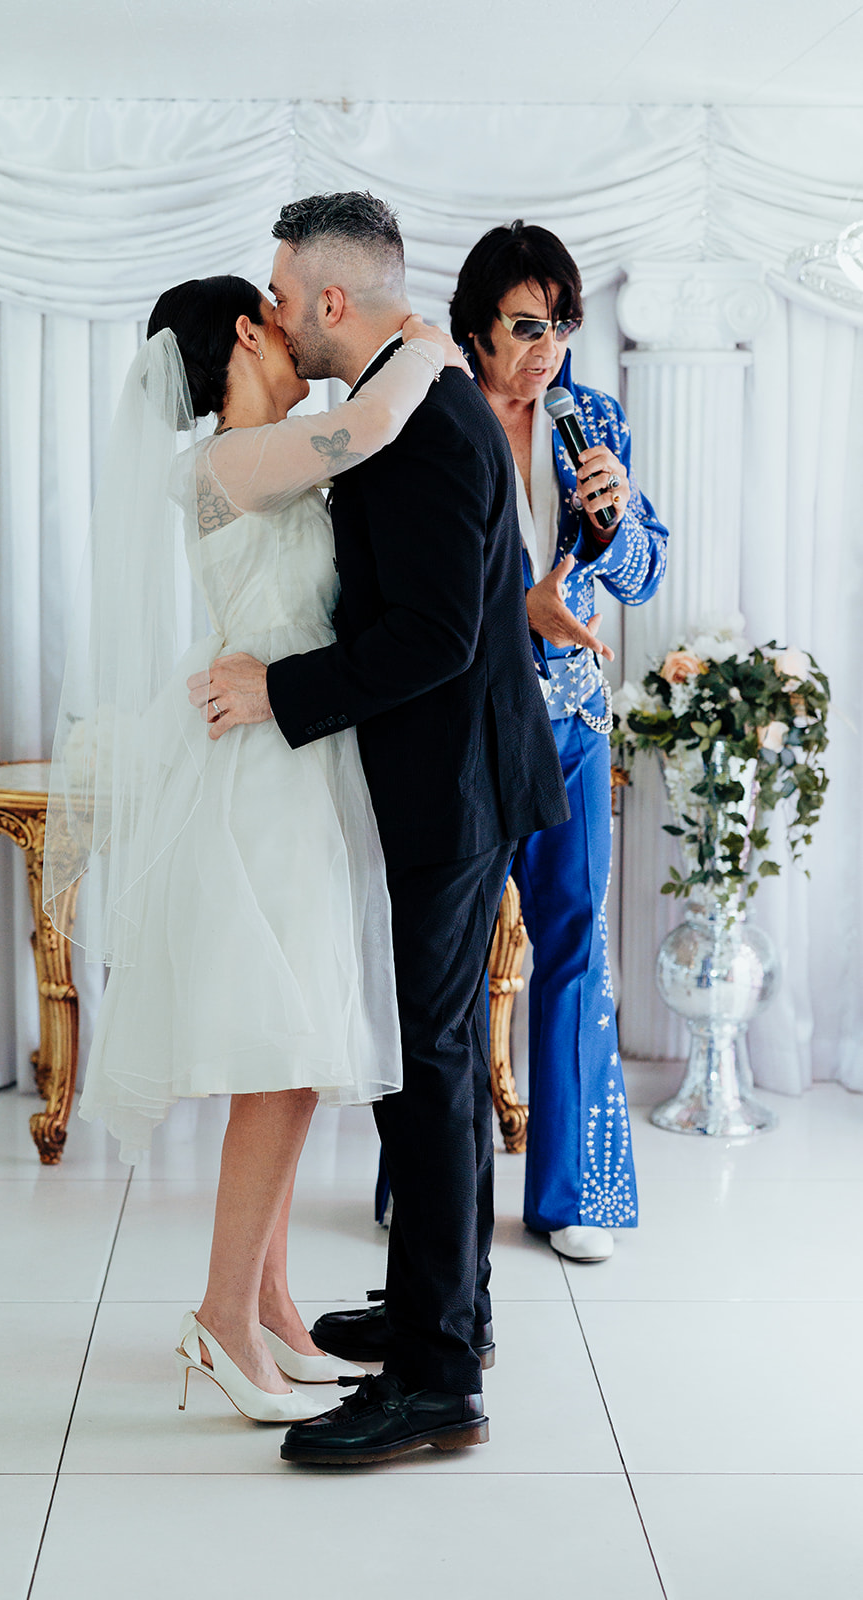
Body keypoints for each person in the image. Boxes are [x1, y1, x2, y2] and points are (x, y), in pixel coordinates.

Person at [45, 274, 468, 1425]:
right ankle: (221, 1318)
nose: (297, 332)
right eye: (278, 317)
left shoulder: (279, 447)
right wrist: (426, 347)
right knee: (281, 1055)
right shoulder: (229, 462)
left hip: (300, 757)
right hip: (261, 782)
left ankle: (273, 1305)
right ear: (243, 331)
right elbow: (373, 424)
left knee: (299, 1041)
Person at [190, 192, 568, 1466]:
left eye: (285, 296)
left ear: (330, 302)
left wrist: (274, 691)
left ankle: (436, 1377)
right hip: (455, 773)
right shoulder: (414, 396)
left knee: (430, 1071)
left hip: (447, 785)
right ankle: (439, 1308)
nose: (277, 318)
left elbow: (431, 637)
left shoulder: (415, 423)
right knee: (443, 1055)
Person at [449, 221, 669, 1261]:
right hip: (453, 725)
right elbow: (392, 591)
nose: (548, 348)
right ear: (476, 328)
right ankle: (430, 1183)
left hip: (572, 724)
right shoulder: (429, 420)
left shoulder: (592, 419)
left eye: (563, 324)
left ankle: (572, 1192)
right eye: (527, 326)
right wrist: (511, 616)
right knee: (439, 964)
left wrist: (618, 524)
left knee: (576, 948)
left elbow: (638, 576)